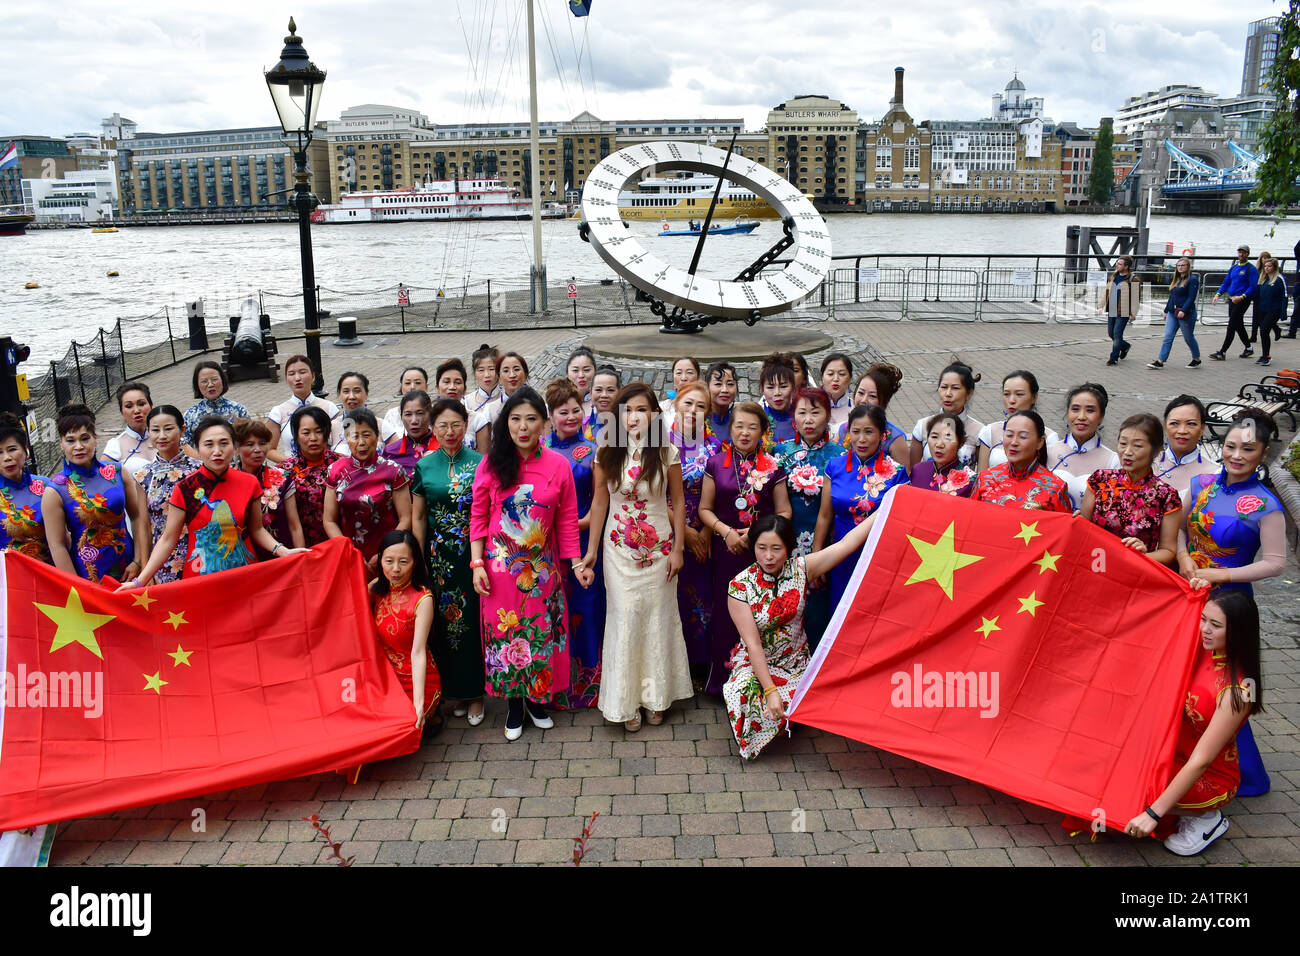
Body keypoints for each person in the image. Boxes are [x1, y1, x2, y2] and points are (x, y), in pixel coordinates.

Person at [470, 387, 591, 741]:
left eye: (531, 419)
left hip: (542, 569)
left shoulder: (558, 465)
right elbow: (477, 518)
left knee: (539, 632)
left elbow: (567, 521)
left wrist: (575, 563)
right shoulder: (491, 464)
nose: (523, 427)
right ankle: (512, 704)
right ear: (505, 423)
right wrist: (477, 563)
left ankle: (537, 700)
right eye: (515, 419)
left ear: (544, 423)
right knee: (505, 634)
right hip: (499, 567)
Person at [724, 509, 889, 760]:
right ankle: (782, 715)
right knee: (743, 691)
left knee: (814, 698)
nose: (768, 557)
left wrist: (886, 507)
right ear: (753, 546)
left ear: (789, 548)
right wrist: (770, 692)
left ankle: (790, 715)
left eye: (776, 549)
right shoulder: (739, 586)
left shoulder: (802, 568)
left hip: (795, 664)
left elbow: (847, 544)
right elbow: (753, 645)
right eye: (762, 547)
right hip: (756, 663)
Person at [1180, 410, 1282, 799]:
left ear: (1264, 453)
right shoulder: (1203, 483)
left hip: (1231, 604)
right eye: (1230, 446)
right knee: (1191, 682)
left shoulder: (1266, 504)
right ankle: (1194, 758)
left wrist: (1219, 576)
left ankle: (1247, 772)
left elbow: (1275, 564)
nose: (1236, 455)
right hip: (1190, 595)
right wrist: (1187, 561)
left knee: (1229, 688)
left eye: (1248, 449)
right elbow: (1183, 532)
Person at [582, 382, 692, 731]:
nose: (634, 417)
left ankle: (655, 698)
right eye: (627, 410)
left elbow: (678, 505)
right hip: (617, 551)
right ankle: (625, 701)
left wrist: (678, 549)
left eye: (642, 410)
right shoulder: (606, 452)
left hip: (659, 551)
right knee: (625, 618)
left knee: (658, 619)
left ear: (655, 415)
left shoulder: (667, 452)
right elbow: (600, 502)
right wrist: (590, 552)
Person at [1121, 590, 1261, 856]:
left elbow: (1202, 760)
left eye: (1216, 625)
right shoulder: (1203, 647)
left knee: (1129, 794)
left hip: (1209, 777)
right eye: (1203, 619)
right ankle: (1174, 809)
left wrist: (1153, 813)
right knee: (1112, 769)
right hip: (1172, 753)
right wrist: (1191, 590)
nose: (1205, 629)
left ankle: (1206, 818)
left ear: (1239, 632)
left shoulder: (1238, 691)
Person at [116, 416, 303, 586]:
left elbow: (256, 529)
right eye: (209, 444)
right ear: (197, 448)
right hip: (201, 576)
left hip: (244, 571)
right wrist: (139, 581)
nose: (217, 451)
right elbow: (167, 539)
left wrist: (282, 551)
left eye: (224, 443)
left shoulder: (249, 483)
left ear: (234, 446)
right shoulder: (185, 488)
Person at [698, 402, 791, 695]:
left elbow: (785, 512)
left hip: (761, 553)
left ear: (763, 432)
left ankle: (759, 682)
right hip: (726, 551)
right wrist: (725, 532)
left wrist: (755, 534)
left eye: (753, 427)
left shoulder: (774, 467)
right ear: (730, 428)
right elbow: (704, 509)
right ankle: (721, 683)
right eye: (739, 425)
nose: (745, 432)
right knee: (725, 614)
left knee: (760, 615)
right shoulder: (715, 463)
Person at [412, 398, 485, 725]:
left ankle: (476, 694)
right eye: (442, 425)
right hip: (439, 559)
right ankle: (454, 691)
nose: (449, 431)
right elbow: (418, 516)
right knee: (445, 625)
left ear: (466, 425)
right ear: (433, 428)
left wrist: (480, 557)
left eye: (456, 424)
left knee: (472, 623)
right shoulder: (424, 466)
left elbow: (485, 513)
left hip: (472, 555)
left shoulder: (481, 463)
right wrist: (419, 558)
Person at [544, 378, 604, 709]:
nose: (570, 416)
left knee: (587, 608)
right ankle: (554, 682)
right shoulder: (539, 450)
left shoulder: (594, 451)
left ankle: (590, 683)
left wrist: (577, 525)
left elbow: (599, 500)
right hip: (548, 545)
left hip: (584, 539)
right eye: (562, 411)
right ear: (550, 415)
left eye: (575, 410)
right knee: (555, 609)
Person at [815, 403, 909, 616]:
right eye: (856, 432)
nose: (862, 439)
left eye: (869, 432)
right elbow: (825, 515)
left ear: (882, 434)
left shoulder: (897, 473)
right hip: (840, 552)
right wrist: (817, 555)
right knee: (840, 610)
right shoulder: (834, 466)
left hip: (878, 554)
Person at [42, 403, 147, 583]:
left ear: (95, 439)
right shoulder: (55, 490)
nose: (78, 446)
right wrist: (78, 588)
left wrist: (139, 561)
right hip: (88, 578)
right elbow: (57, 545)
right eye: (70, 440)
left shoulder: (118, 472)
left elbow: (137, 517)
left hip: (130, 571)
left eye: (85, 438)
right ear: (61, 443)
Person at [773, 387, 841, 648]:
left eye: (816, 412)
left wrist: (821, 551)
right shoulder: (780, 453)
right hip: (786, 543)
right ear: (794, 418)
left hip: (824, 544)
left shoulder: (839, 457)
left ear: (827, 416)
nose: (809, 420)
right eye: (802, 413)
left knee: (818, 611)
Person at [1080, 413, 1181, 565]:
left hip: (1135, 572)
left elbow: (1168, 551)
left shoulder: (1166, 496)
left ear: (1156, 450)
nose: (1127, 452)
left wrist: (1141, 556)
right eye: (1123, 443)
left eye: (1138, 446)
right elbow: (1083, 529)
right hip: (1094, 564)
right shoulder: (1100, 480)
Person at [667, 381, 719, 679]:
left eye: (701, 406)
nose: (693, 410)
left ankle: (701, 662)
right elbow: (655, 494)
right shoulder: (661, 444)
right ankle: (676, 664)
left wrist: (706, 533)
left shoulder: (714, 447)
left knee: (704, 595)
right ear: (676, 405)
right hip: (671, 529)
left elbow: (723, 492)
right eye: (688, 403)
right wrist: (684, 531)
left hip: (706, 530)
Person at [324, 407, 412, 575]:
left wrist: (386, 553)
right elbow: (329, 520)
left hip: (390, 557)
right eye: (354, 436)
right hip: (348, 555)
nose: (361, 443)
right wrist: (350, 551)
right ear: (346, 439)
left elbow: (406, 518)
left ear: (377, 436)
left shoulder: (393, 470)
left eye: (366, 435)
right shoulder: (335, 471)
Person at [370, 530, 441, 730]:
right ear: (380, 560)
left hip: (417, 681)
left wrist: (418, 704)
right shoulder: (377, 588)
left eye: (403, 562)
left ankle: (428, 711)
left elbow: (418, 652)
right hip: (385, 679)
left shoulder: (422, 599)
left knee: (395, 729)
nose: (395, 569)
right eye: (389, 561)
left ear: (415, 562)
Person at [133, 405, 200, 583]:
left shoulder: (199, 469)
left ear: (182, 430)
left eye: (168, 429)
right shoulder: (143, 475)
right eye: (155, 430)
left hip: (199, 556)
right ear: (148, 432)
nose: (162, 436)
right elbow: (144, 524)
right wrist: (146, 571)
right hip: (161, 561)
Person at [972, 410, 1072, 512]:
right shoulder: (986, 478)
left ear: (1040, 442)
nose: (1014, 442)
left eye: (1023, 436)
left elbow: (1063, 525)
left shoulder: (1055, 487)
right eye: (1009, 435)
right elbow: (971, 518)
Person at [233, 417, 300, 560]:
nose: (257, 449)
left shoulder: (283, 478)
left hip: (281, 556)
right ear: (236, 449)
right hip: (241, 558)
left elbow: (294, 525)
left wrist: (300, 558)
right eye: (249, 444)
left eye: (262, 443)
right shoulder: (227, 481)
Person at [1047, 383, 1120, 510]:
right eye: (1075, 409)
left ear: (1101, 417)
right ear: (1067, 413)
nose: (1081, 417)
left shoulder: (1113, 461)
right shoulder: (1048, 451)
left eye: (1090, 410)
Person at [976, 371, 1058, 471]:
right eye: (1006, 394)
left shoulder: (1049, 437)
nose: (1011, 400)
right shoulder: (990, 431)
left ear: (1034, 397)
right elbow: (981, 476)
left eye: (1019, 394)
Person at [283, 405, 340, 547]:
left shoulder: (343, 465)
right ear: (296, 435)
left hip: (340, 542)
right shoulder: (285, 471)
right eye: (306, 433)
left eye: (319, 432)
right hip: (303, 545)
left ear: (327, 433)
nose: (313, 438)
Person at [266, 355, 340, 463]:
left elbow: (339, 444)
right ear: (287, 378)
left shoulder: (329, 408)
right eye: (291, 374)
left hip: (327, 471)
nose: (297, 378)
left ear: (313, 376)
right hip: (293, 472)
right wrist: (294, 464)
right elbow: (269, 449)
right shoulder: (278, 412)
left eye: (302, 372)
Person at [909, 360, 981, 468]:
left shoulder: (980, 431)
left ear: (969, 393)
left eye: (955, 388)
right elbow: (912, 471)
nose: (948, 394)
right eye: (944, 387)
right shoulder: (923, 426)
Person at [0, 412, 52, 562]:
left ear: (25, 450)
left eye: (12, 449)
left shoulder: (47, 486)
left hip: (51, 573)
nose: (7, 458)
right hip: (10, 579)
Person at [838, 364, 909, 464]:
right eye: (861, 393)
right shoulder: (844, 429)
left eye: (872, 396)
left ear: (885, 401)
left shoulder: (895, 439)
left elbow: (905, 476)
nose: (863, 400)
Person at [1154, 395, 1219, 495]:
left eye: (1191, 424)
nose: (1182, 431)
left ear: (1202, 428)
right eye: (1174, 423)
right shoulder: (1147, 463)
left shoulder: (1214, 473)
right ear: (1165, 426)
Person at [1147, 256, 1201, 369]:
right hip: (1173, 312)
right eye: (1179, 265)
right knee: (1168, 336)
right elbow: (1172, 296)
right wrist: (1166, 310)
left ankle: (1196, 358)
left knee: (1188, 337)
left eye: (1183, 265)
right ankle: (1160, 361)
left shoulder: (1192, 279)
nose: (1180, 267)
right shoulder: (1176, 279)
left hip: (1186, 313)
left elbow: (1191, 297)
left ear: (1188, 267)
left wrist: (1184, 310)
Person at [472, 351, 530, 452]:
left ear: (526, 375)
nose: (512, 375)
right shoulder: (490, 409)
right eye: (506, 371)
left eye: (516, 369)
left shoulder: (538, 405)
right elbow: (485, 450)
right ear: (499, 376)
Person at [183, 361, 249, 448]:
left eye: (214, 379)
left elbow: (249, 442)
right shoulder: (190, 415)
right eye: (204, 381)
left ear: (222, 380)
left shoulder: (239, 410)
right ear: (197, 385)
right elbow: (186, 448)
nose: (210, 384)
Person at [1210, 244, 1259, 361]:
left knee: (1231, 325)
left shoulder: (1251, 269)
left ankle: (1222, 352)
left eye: (1244, 252)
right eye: (1239, 252)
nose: (1241, 254)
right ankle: (1249, 348)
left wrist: (1242, 296)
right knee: (1238, 325)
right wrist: (1217, 294)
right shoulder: (1234, 268)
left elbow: (1253, 286)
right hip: (1232, 299)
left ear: (1248, 254)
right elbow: (1226, 283)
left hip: (1243, 300)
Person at [910, 413, 975, 498]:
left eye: (948, 438)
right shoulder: (918, 470)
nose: (939, 444)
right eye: (934, 437)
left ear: (961, 443)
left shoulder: (971, 479)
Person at [333, 371, 399, 454]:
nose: (352, 396)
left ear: (366, 394)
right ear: (339, 395)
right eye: (346, 391)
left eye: (357, 391)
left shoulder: (381, 425)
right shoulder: (332, 427)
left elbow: (399, 454)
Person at [103, 382, 156, 477]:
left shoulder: (165, 436)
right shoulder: (115, 445)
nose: (136, 410)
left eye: (141, 404)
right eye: (129, 406)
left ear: (151, 406)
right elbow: (102, 481)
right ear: (122, 412)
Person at [384, 389, 437, 477]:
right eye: (408, 414)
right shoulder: (390, 451)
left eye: (420, 413)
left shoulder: (445, 448)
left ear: (430, 414)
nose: (414, 421)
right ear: (401, 416)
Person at [1100, 254, 1140, 365]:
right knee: (1111, 334)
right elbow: (1107, 292)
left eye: (1120, 264)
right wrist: (1101, 304)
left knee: (1117, 335)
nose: (1117, 265)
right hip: (1112, 309)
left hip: (1124, 311)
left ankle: (1113, 358)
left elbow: (1136, 298)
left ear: (1126, 266)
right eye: (1117, 263)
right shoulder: (1114, 276)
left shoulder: (1133, 279)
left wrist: (1133, 313)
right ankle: (1125, 346)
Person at [1249, 256, 1287, 367]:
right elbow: (1257, 294)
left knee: (1264, 330)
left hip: (1274, 309)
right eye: (1265, 266)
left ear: (1275, 267)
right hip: (1262, 309)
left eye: (1269, 266)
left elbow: (1283, 296)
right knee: (1263, 331)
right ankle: (1264, 355)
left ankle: (1267, 356)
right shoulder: (1263, 280)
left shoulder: (1279, 280)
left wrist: (1283, 312)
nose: (1266, 268)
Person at [759, 353, 798, 445]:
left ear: (793, 387)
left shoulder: (804, 418)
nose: (777, 393)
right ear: (763, 390)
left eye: (783, 386)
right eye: (770, 387)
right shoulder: (758, 421)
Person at [381, 366, 429, 436]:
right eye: (407, 383)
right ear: (402, 387)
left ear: (426, 387)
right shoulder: (391, 415)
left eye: (418, 383)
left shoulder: (437, 413)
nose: (412, 387)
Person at [660, 355, 701, 430]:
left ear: (698, 376)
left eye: (689, 373)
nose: (683, 378)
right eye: (678, 373)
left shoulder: (705, 407)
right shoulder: (663, 407)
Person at [704, 361, 738, 448]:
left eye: (730, 384)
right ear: (707, 388)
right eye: (718, 384)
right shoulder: (697, 420)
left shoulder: (742, 420)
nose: (725, 390)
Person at [584, 365, 621, 442]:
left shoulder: (628, 426)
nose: (604, 395)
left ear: (619, 393)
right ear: (591, 393)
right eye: (598, 390)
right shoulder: (583, 425)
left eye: (610, 390)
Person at [465, 344, 503, 416]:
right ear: (474, 373)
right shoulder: (467, 402)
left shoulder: (508, 397)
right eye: (481, 370)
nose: (487, 375)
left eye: (491, 369)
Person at [818, 353, 854, 428]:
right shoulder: (811, 404)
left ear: (850, 378)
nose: (836, 379)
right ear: (822, 377)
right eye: (830, 374)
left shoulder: (855, 408)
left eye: (842, 374)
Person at [565, 347, 597, 415]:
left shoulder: (603, 398)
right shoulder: (557, 399)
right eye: (575, 370)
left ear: (595, 372)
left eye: (586, 370)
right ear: (567, 373)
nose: (581, 375)